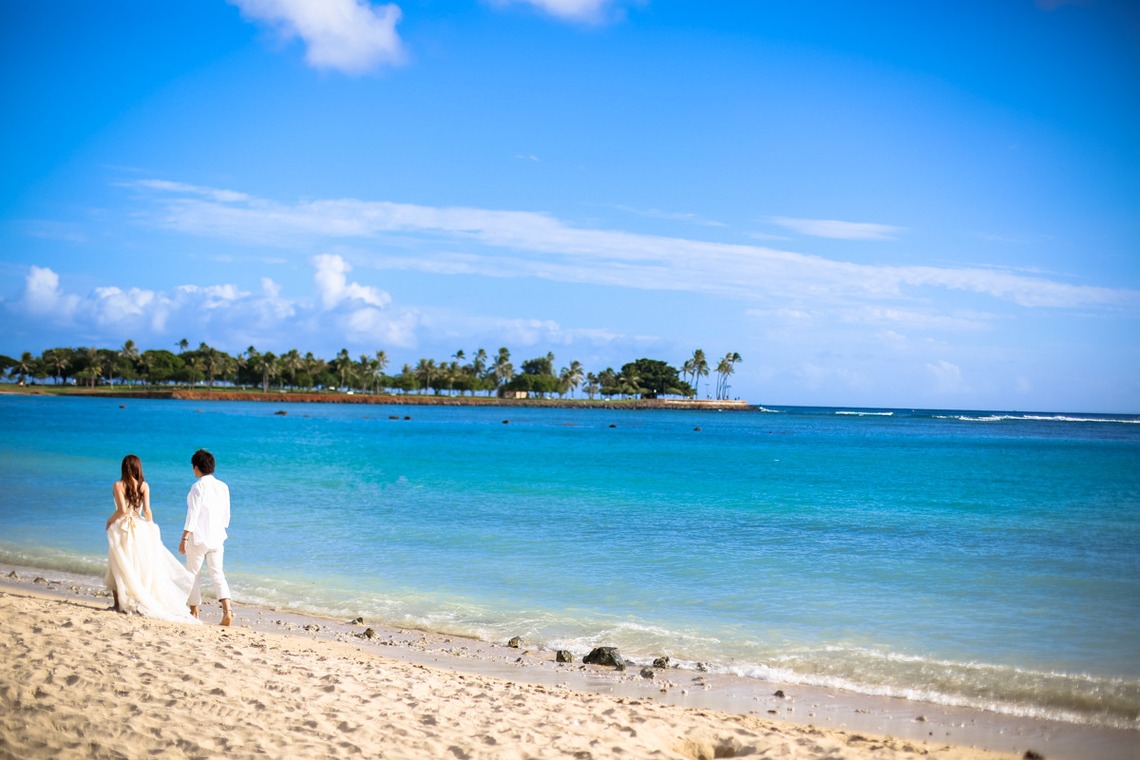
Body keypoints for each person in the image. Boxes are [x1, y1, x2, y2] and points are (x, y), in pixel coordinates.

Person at [104, 454, 199, 623]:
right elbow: (147, 510)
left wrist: (109, 521)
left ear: (124, 468)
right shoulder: (144, 486)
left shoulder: (118, 485)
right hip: (139, 528)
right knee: (139, 565)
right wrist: (151, 526)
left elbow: (122, 510)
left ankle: (118, 604)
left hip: (123, 528)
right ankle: (137, 600)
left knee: (118, 564)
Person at [180, 449, 233, 626]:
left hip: (199, 538)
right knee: (218, 574)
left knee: (193, 574)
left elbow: (192, 514)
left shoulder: (198, 487)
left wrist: (185, 537)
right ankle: (227, 611)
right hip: (218, 537)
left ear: (196, 468)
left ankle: (194, 612)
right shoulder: (223, 486)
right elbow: (226, 515)